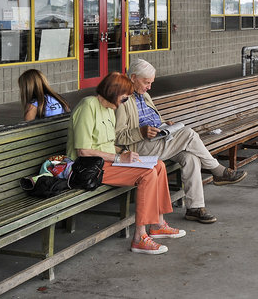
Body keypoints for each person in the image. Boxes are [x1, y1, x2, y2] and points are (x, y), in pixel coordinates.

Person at [115, 59, 247, 225]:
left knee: (190, 158)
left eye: (151, 83)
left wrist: (164, 124)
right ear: (133, 77)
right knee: (189, 134)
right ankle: (218, 171)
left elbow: (152, 118)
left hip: (158, 139)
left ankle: (195, 208)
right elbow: (118, 136)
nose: (149, 87)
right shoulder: (123, 100)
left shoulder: (145, 95)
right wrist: (139, 132)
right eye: (146, 82)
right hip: (139, 148)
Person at [67, 71, 184, 255]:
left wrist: (124, 152)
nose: (124, 102)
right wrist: (119, 158)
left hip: (107, 162)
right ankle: (139, 237)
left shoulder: (109, 110)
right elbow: (83, 150)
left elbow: (109, 145)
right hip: (88, 166)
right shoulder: (88, 106)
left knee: (158, 165)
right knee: (147, 174)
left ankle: (158, 224)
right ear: (113, 92)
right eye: (124, 98)